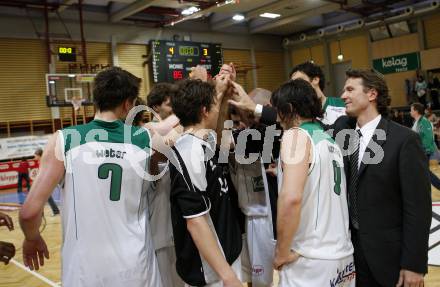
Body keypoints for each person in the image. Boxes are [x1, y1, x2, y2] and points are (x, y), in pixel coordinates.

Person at [19, 67, 162, 287]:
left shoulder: (65, 139)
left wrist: (32, 238)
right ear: (127, 104)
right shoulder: (145, 138)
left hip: (85, 273)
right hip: (138, 268)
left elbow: (29, 213)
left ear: (95, 100)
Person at [333, 69, 431, 287]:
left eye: (350, 89)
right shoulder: (344, 138)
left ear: (372, 94)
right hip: (352, 257)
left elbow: (418, 208)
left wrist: (414, 264)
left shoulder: (405, 140)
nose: (343, 95)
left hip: (392, 258)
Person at [271, 79, 354, 286]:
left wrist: (281, 252)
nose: (277, 118)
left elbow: (291, 199)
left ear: (289, 109)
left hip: (311, 259)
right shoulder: (328, 140)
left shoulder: (296, 136)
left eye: (278, 111)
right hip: (342, 256)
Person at [169, 78, 243, 287]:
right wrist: (227, 276)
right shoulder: (188, 151)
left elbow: (222, 137)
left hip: (226, 257)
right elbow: (195, 221)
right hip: (211, 271)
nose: (217, 109)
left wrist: (225, 96)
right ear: (205, 111)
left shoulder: (203, 143)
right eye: (215, 105)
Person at [145, 83, 184, 287]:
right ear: (156, 107)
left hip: (180, 225)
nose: (174, 108)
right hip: (159, 227)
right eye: (170, 104)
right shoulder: (149, 132)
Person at [410, 103, 440, 189]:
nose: (410, 112)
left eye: (411, 110)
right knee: (422, 172)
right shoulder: (417, 122)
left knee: (424, 172)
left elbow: (427, 138)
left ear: (416, 111)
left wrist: (421, 150)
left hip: (424, 151)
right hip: (419, 151)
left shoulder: (424, 121)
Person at [34, 148, 60, 216]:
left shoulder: (44, 162)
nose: (34, 157)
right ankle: (55, 211)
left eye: (35, 155)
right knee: (47, 197)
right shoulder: (41, 162)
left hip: (46, 182)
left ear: (39, 155)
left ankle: (41, 213)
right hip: (44, 181)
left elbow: (45, 172)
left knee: (43, 197)